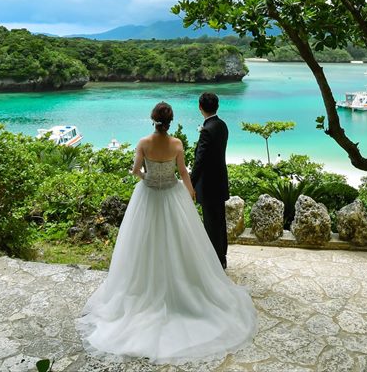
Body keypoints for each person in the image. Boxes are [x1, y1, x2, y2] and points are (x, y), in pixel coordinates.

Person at [75, 102, 256, 364]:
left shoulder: (144, 143)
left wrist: (147, 177)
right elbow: (183, 171)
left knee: (142, 244)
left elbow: (136, 170)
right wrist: (191, 191)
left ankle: (143, 291)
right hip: (173, 196)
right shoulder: (177, 144)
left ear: (153, 119)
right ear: (170, 121)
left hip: (148, 196)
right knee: (182, 244)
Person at [190, 91, 230, 268]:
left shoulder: (207, 130)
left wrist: (190, 184)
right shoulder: (222, 125)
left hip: (208, 185)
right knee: (219, 221)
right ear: (217, 106)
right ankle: (222, 257)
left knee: (211, 224)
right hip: (220, 181)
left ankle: (215, 261)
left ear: (200, 108)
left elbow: (200, 161)